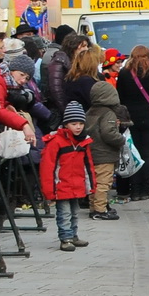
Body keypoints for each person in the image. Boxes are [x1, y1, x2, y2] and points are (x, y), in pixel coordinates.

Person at [40, 102, 94, 252]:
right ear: (66, 124)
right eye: (74, 124)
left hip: (76, 184)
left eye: (81, 123)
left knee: (75, 213)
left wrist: (90, 185)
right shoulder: (56, 142)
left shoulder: (83, 142)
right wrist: (49, 191)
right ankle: (66, 238)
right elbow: (47, 167)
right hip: (61, 185)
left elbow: (88, 165)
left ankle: (73, 235)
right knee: (64, 213)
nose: (78, 127)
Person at [117, 46, 149, 206]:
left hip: (131, 119)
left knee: (133, 154)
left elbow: (120, 97)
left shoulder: (124, 73)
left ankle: (135, 190)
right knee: (148, 155)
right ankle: (145, 189)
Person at [83, 76, 126, 221]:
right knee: (103, 183)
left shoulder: (90, 111)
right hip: (105, 155)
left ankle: (94, 207)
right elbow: (109, 134)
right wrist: (121, 139)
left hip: (91, 153)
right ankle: (100, 210)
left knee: (93, 183)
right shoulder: (108, 113)